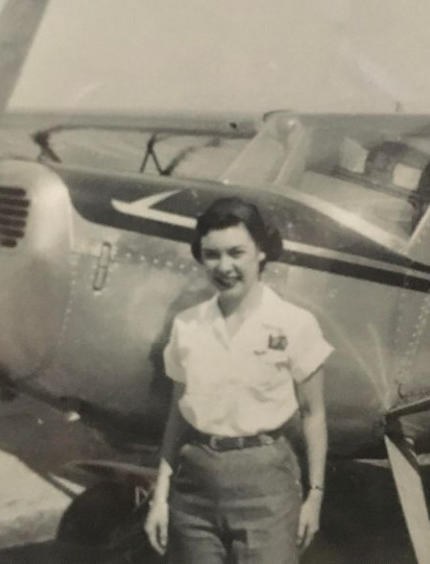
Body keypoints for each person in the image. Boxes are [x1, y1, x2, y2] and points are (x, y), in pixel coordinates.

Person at [144, 196, 333, 563]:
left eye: (236, 253)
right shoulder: (187, 326)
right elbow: (177, 416)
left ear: (260, 252)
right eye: (211, 255)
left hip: (266, 486)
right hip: (194, 488)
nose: (224, 266)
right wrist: (161, 498)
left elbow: (314, 415)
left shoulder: (295, 324)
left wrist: (315, 495)